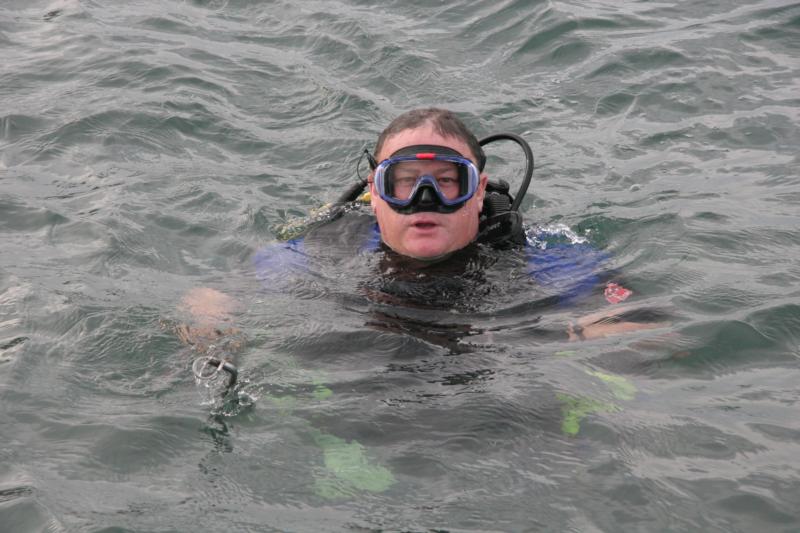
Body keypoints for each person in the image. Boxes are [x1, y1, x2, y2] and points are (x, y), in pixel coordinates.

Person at [176, 108, 667, 353]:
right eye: (404, 182)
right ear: (375, 192)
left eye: (448, 183)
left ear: (478, 192)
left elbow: (651, 329)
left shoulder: (537, 253)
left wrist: (603, 337)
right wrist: (213, 323)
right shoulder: (333, 242)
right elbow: (215, 294)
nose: (423, 201)